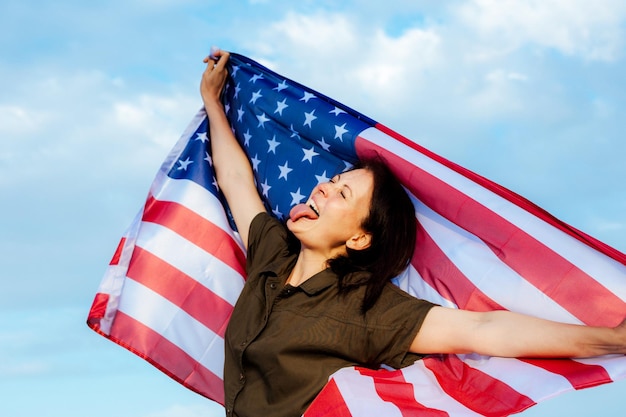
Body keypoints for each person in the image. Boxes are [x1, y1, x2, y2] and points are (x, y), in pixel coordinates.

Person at [200, 50, 626, 417]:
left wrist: (611, 340)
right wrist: (213, 103)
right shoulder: (272, 255)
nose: (323, 187)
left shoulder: (367, 308)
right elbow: (237, 181)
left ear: (360, 238)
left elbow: (482, 330)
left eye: (342, 193)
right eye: (330, 182)